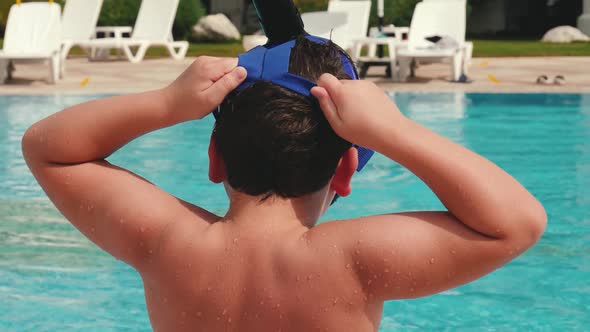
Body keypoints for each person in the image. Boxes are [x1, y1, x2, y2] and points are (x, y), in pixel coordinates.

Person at [22, 37, 546, 332]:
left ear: (214, 160)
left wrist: (165, 104)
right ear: (344, 171)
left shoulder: (165, 242)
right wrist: (395, 131)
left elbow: (49, 149)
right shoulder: (353, 261)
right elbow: (516, 223)